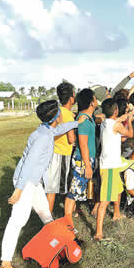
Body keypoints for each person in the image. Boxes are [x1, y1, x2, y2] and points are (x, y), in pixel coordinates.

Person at [0, 100, 86, 268]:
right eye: (59, 112)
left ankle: (63, 244)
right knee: (17, 221)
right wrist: (19, 190)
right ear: (56, 116)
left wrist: (77, 123)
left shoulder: (46, 129)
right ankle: (5, 263)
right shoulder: (43, 138)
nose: (62, 114)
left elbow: (59, 129)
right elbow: (28, 164)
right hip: (26, 183)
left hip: (34, 182)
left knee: (46, 214)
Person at [94, 98, 134, 241]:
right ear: (116, 111)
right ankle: (98, 232)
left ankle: (116, 214)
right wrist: (129, 121)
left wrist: (126, 116)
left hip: (110, 164)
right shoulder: (116, 125)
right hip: (110, 167)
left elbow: (116, 120)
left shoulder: (105, 122)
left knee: (118, 190)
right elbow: (129, 134)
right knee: (105, 201)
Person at [64, 89, 98, 230]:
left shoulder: (87, 118)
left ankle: (69, 219)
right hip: (83, 160)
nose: (97, 100)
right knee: (73, 191)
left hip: (87, 159)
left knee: (78, 189)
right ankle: (67, 223)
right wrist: (88, 166)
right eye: (95, 98)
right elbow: (83, 144)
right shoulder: (84, 121)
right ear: (91, 102)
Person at [45, 82, 76, 213]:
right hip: (62, 154)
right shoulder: (68, 114)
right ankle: (47, 219)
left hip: (53, 151)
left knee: (55, 187)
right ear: (71, 98)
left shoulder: (57, 111)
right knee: (53, 190)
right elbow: (71, 138)